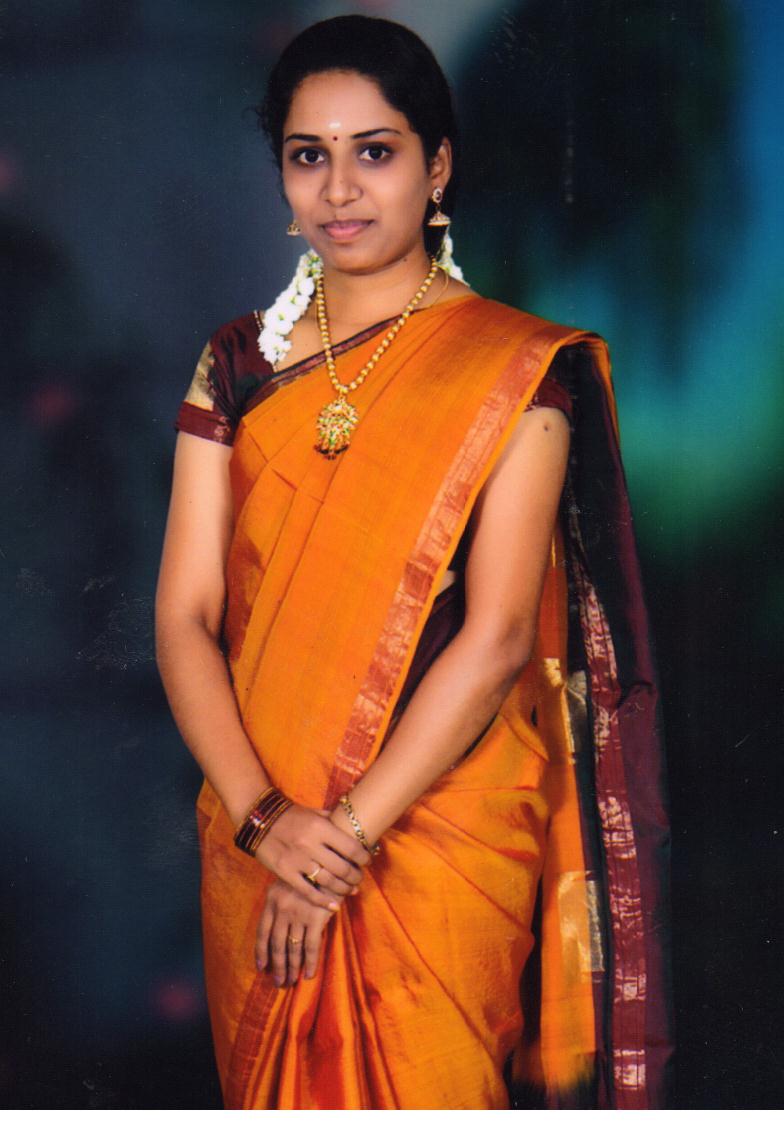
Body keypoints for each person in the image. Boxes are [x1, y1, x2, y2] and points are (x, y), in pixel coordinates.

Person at [155, 14, 672, 1111]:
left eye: (375, 152)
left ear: (436, 167)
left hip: (432, 835)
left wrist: (336, 844)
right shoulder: (237, 363)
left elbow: (495, 640)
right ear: (282, 173)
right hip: (255, 822)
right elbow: (184, 617)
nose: (340, 189)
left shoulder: (516, 367)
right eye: (309, 155)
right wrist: (267, 824)